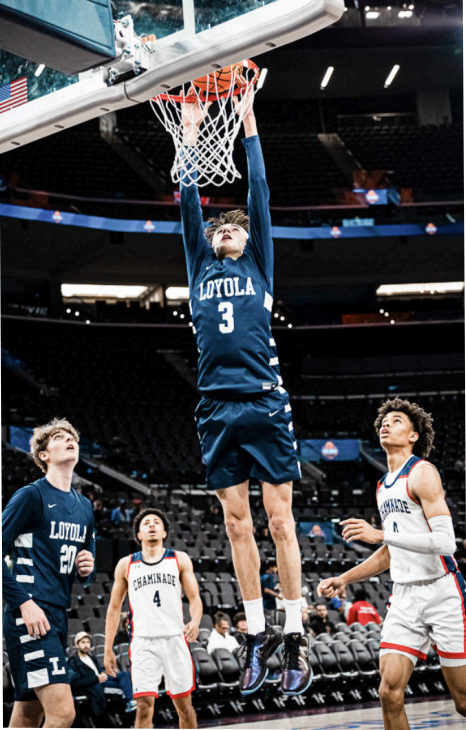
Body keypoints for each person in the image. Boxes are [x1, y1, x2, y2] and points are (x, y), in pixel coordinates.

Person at [179, 78, 311, 697]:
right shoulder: (199, 265)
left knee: (280, 522)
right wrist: (191, 122)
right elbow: (187, 194)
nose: (224, 232)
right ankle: (257, 635)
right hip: (215, 406)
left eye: (233, 229)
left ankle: (294, 635)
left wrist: (248, 113)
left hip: (262, 398)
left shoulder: (259, 262)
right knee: (236, 525)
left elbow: (257, 189)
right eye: (217, 229)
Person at [318, 398, 466, 730]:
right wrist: (344, 578)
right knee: (389, 693)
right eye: (384, 421)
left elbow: (445, 543)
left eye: (397, 420)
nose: (386, 423)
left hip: (442, 592)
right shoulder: (383, 486)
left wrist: (380, 534)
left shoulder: (422, 472)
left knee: (464, 702)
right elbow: (389, 552)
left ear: (413, 435)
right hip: (404, 598)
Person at [2, 418, 95, 728]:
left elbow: (85, 563)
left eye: (73, 436)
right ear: (43, 454)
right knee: (63, 712)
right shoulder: (31, 496)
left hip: (57, 612)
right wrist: (24, 604)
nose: (70, 439)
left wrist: (86, 567)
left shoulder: (84, 506)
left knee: (29, 714)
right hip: (30, 611)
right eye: (59, 436)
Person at [104, 508, 202, 729]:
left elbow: (195, 598)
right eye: (146, 523)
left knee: (184, 707)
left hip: (175, 639)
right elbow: (113, 609)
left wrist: (194, 621)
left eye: (156, 522)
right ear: (138, 534)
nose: (151, 525)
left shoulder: (179, 559)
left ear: (164, 532)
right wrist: (108, 648)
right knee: (144, 708)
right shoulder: (126, 564)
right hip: (142, 642)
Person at [67, 632, 135, 717]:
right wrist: (97, 678)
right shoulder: (73, 661)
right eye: (83, 642)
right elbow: (75, 683)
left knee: (124, 674)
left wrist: (103, 674)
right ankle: (130, 702)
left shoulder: (92, 657)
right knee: (120, 685)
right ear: (77, 645)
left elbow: (98, 671)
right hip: (95, 683)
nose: (86, 645)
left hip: (101, 679)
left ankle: (131, 701)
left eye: (88, 642)